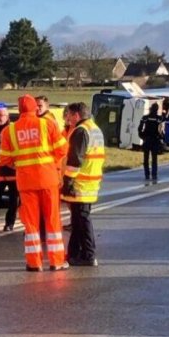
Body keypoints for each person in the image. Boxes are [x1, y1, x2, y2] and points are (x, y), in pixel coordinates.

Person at [0, 94, 68, 271]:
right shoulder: (48, 124)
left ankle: (34, 263)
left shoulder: (9, 131)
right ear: (35, 108)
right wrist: (48, 162)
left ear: (19, 110)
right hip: (48, 179)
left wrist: (20, 165)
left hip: (25, 182)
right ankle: (57, 261)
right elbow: (62, 149)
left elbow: (4, 159)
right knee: (52, 221)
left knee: (31, 223)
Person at [62, 102, 105, 267]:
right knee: (78, 220)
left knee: (82, 219)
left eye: (69, 115)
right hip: (90, 181)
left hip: (81, 182)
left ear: (76, 115)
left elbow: (75, 159)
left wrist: (68, 181)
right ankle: (75, 253)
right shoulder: (94, 129)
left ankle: (88, 255)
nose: (68, 119)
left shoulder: (81, 131)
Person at [0, 103, 19, 232]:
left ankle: (9, 223)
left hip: (13, 169)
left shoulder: (13, 129)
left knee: (14, 200)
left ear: (7, 116)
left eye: (1, 115)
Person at [138, 103, 163, 183]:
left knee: (146, 158)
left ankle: (147, 174)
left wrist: (142, 136)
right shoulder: (159, 118)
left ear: (150, 109)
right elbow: (161, 129)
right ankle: (154, 174)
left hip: (147, 139)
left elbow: (140, 128)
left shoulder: (145, 118)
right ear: (157, 109)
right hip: (155, 140)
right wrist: (161, 137)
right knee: (154, 158)